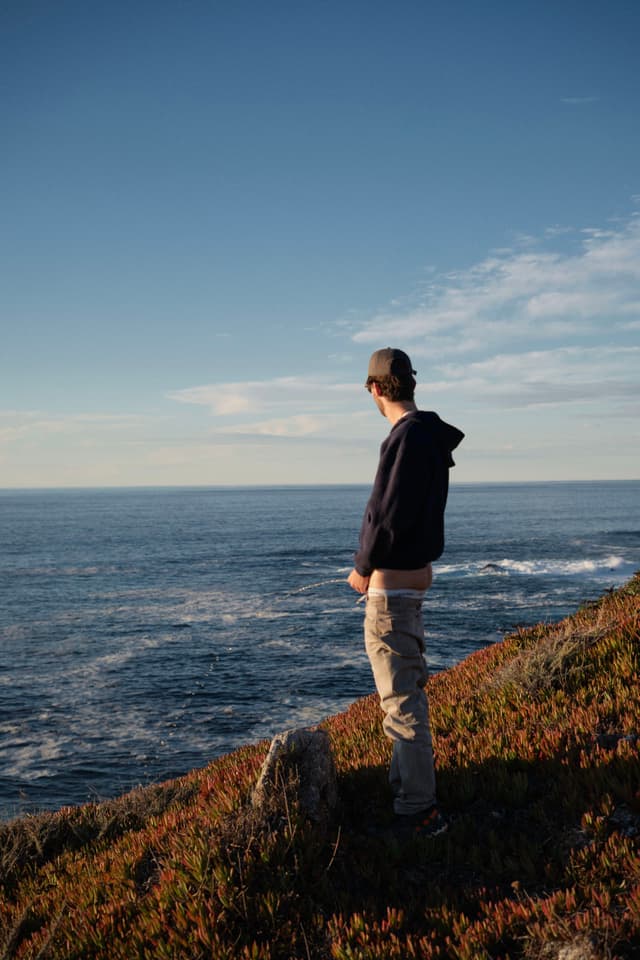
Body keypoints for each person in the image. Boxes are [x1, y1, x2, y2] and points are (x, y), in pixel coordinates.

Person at [347, 347, 464, 838]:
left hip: (391, 596)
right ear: (411, 384)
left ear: (376, 389)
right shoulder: (431, 438)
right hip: (412, 587)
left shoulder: (405, 438)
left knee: (402, 704)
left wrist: (361, 568)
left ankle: (418, 809)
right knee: (408, 694)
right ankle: (405, 789)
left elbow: (385, 515)